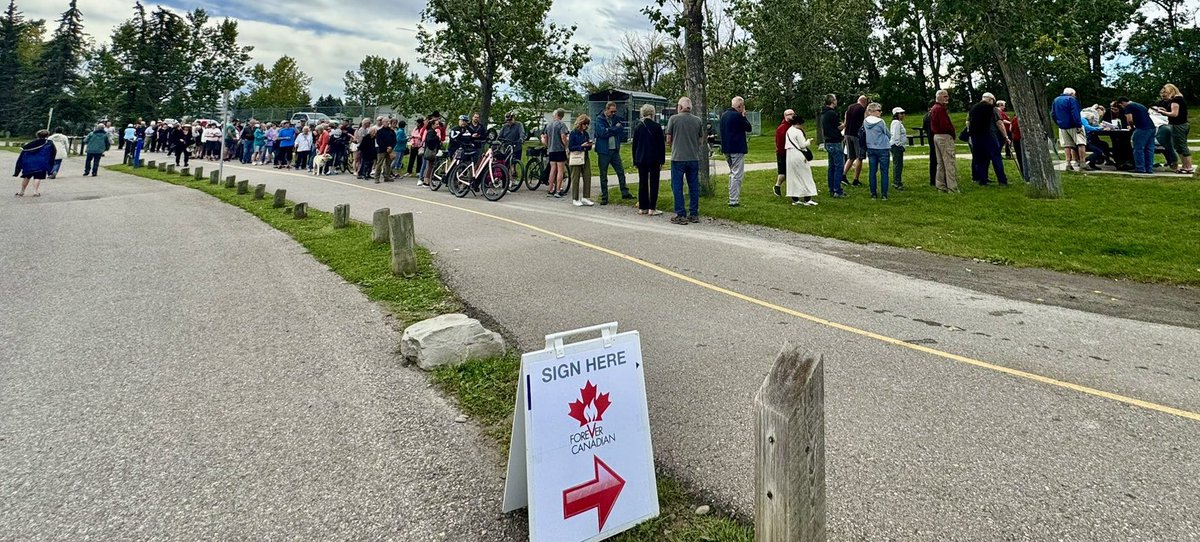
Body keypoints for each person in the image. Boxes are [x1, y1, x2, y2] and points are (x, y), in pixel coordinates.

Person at [665, 96, 705, 224]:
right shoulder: (697, 120)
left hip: (678, 157)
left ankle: (681, 214)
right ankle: (694, 213)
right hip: (693, 157)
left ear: (680, 107)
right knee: (693, 186)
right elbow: (701, 140)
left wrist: (674, 145)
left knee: (677, 185)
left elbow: (668, 139)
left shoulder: (674, 119)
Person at [594, 101, 632, 204]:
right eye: (611, 111)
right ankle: (605, 196)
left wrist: (610, 130)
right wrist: (615, 128)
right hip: (604, 150)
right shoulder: (599, 119)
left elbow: (621, 129)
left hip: (614, 149)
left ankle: (624, 192)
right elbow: (602, 133)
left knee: (620, 171)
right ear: (606, 110)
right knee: (603, 174)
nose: (613, 113)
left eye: (615, 111)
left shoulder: (615, 118)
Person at [967, 92, 1009, 185]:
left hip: (977, 137)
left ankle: (983, 180)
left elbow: (969, 122)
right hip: (990, 136)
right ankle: (1002, 180)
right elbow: (999, 123)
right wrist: (1005, 136)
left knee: (982, 159)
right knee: (996, 157)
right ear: (990, 99)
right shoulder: (993, 109)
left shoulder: (973, 109)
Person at [631, 103, 665, 216]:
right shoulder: (657, 127)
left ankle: (642, 207)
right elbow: (661, 145)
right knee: (654, 183)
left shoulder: (638, 127)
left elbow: (634, 145)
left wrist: (634, 160)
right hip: (654, 158)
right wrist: (662, 160)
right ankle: (652, 208)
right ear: (653, 113)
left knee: (643, 182)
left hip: (641, 158)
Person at [719, 96, 753, 207]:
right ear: (739, 106)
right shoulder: (737, 116)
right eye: (742, 106)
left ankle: (732, 197)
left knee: (732, 172)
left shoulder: (724, 115)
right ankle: (733, 200)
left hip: (726, 148)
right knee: (736, 175)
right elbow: (748, 128)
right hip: (737, 148)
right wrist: (743, 117)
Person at [1156, 83, 1192, 174]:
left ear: (1170, 91)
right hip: (1180, 124)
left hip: (1178, 125)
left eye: (1166, 94)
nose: (1165, 96)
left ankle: (1188, 167)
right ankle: (1185, 166)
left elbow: (1174, 114)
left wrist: (1162, 112)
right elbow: (1176, 112)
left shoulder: (1176, 100)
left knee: (1182, 146)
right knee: (1178, 146)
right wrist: (1165, 110)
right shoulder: (1179, 99)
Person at [784, 116, 818, 206]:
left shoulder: (789, 130)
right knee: (805, 175)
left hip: (790, 154)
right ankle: (807, 198)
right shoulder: (798, 132)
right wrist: (808, 141)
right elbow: (802, 145)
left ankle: (795, 198)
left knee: (793, 176)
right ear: (799, 123)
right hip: (798, 155)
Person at [1117, 97, 1156, 174]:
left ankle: (1140, 168)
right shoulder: (1140, 105)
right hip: (1152, 127)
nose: (1122, 107)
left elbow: (1129, 119)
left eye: (1121, 105)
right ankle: (1149, 168)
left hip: (1142, 128)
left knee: (1138, 148)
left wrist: (1132, 127)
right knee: (1149, 149)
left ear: (1122, 103)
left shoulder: (1129, 106)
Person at [1052, 87, 1087, 171]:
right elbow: (1075, 113)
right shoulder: (1071, 99)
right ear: (1072, 94)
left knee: (1067, 145)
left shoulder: (1056, 100)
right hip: (1073, 125)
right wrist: (1078, 125)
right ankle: (1082, 163)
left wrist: (1058, 123)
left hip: (1062, 126)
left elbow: (1053, 114)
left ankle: (1068, 163)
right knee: (1081, 143)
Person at [930, 90, 958, 192]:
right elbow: (945, 125)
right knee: (949, 162)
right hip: (944, 137)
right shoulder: (940, 109)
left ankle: (941, 186)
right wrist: (952, 133)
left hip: (936, 136)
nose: (947, 98)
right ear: (940, 97)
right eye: (945, 96)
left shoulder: (934, 108)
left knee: (940, 163)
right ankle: (952, 188)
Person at [817, 96, 846, 197]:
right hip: (835, 141)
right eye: (835, 99)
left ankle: (831, 188)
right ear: (833, 101)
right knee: (839, 166)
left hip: (828, 141)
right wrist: (845, 123)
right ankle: (837, 190)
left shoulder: (824, 113)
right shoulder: (832, 113)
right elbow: (838, 127)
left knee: (832, 166)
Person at [13, 130, 56, 197]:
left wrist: (20, 165)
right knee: (38, 177)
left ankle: (21, 192)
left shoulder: (30, 144)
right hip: (41, 163)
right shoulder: (49, 143)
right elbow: (53, 152)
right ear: (47, 135)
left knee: (26, 177)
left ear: (37, 135)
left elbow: (23, 154)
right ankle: (35, 192)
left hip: (29, 163)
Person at [863, 103, 891, 199]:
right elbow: (887, 133)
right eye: (878, 110)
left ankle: (873, 193)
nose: (880, 112)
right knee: (884, 172)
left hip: (870, 148)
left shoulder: (865, 121)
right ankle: (884, 194)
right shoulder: (881, 122)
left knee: (872, 172)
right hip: (883, 148)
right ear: (872, 111)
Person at [567, 114, 596, 207]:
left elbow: (588, 147)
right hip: (576, 157)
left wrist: (589, 145)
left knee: (587, 176)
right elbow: (571, 147)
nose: (586, 126)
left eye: (587, 124)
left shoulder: (586, 134)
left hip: (585, 156)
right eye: (585, 124)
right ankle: (575, 198)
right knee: (575, 178)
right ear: (580, 123)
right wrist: (581, 146)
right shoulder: (573, 133)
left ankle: (586, 197)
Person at [842, 95, 868, 186]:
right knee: (859, 157)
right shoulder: (861, 109)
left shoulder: (850, 107)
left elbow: (846, 119)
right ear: (864, 102)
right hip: (856, 135)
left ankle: (843, 176)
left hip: (847, 134)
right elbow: (864, 121)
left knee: (851, 157)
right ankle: (856, 180)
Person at [542, 109, 569, 197]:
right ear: (562, 116)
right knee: (560, 170)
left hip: (551, 150)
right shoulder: (562, 124)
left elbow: (545, 137)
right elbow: (563, 137)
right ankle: (558, 190)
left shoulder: (549, 125)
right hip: (559, 150)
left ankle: (550, 189)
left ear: (556, 115)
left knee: (552, 170)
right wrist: (566, 146)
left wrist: (548, 146)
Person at [774, 108, 795, 197]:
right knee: (783, 173)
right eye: (790, 114)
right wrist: (783, 152)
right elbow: (780, 143)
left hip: (792, 152)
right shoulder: (782, 128)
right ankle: (777, 186)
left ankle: (793, 190)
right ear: (785, 116)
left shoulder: (794, 126)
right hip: (783, 153)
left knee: (792, 172)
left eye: (793, 114)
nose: (792, 115)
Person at [374, 118, 397, 183]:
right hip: (381, 150)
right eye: (386, 122)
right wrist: (386, 147)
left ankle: (386, 176)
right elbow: (379, 141)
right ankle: (377, 177)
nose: (388, 123)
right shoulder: (379, 131)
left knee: (388, 164)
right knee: (379, 163)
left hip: (390, 150)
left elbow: (394, 140)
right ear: (383, 122)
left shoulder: (392, 131)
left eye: (388, 122)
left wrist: (391, 147)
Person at [889, 107, 907, 190]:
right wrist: (900, 145)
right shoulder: (896, 123)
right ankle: (897, 182)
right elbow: (896, 136)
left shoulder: (898, 123)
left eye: (903, 113)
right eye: (901, 113)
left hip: (897, 146)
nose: (903, 115)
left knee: (898, 164)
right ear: (896, 114)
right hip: (896, 146)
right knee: (898, 164)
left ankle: (897, 181)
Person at [923, 101, 937, 186]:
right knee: (938, 161)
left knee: (932, 161)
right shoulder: (933, 115)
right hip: (935, 138)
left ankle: (932, 180)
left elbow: (924, 128)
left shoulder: (925, 117)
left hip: (930, 140)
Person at [1010, 114, 1029, 180]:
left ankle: (1023, 173)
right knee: (1025, 157)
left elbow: (1011, 129)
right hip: (1022, 139)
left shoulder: (1014, 119)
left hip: (1016, 139)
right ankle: (1027, 174)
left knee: (1019, 157)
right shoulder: (1026, 119)